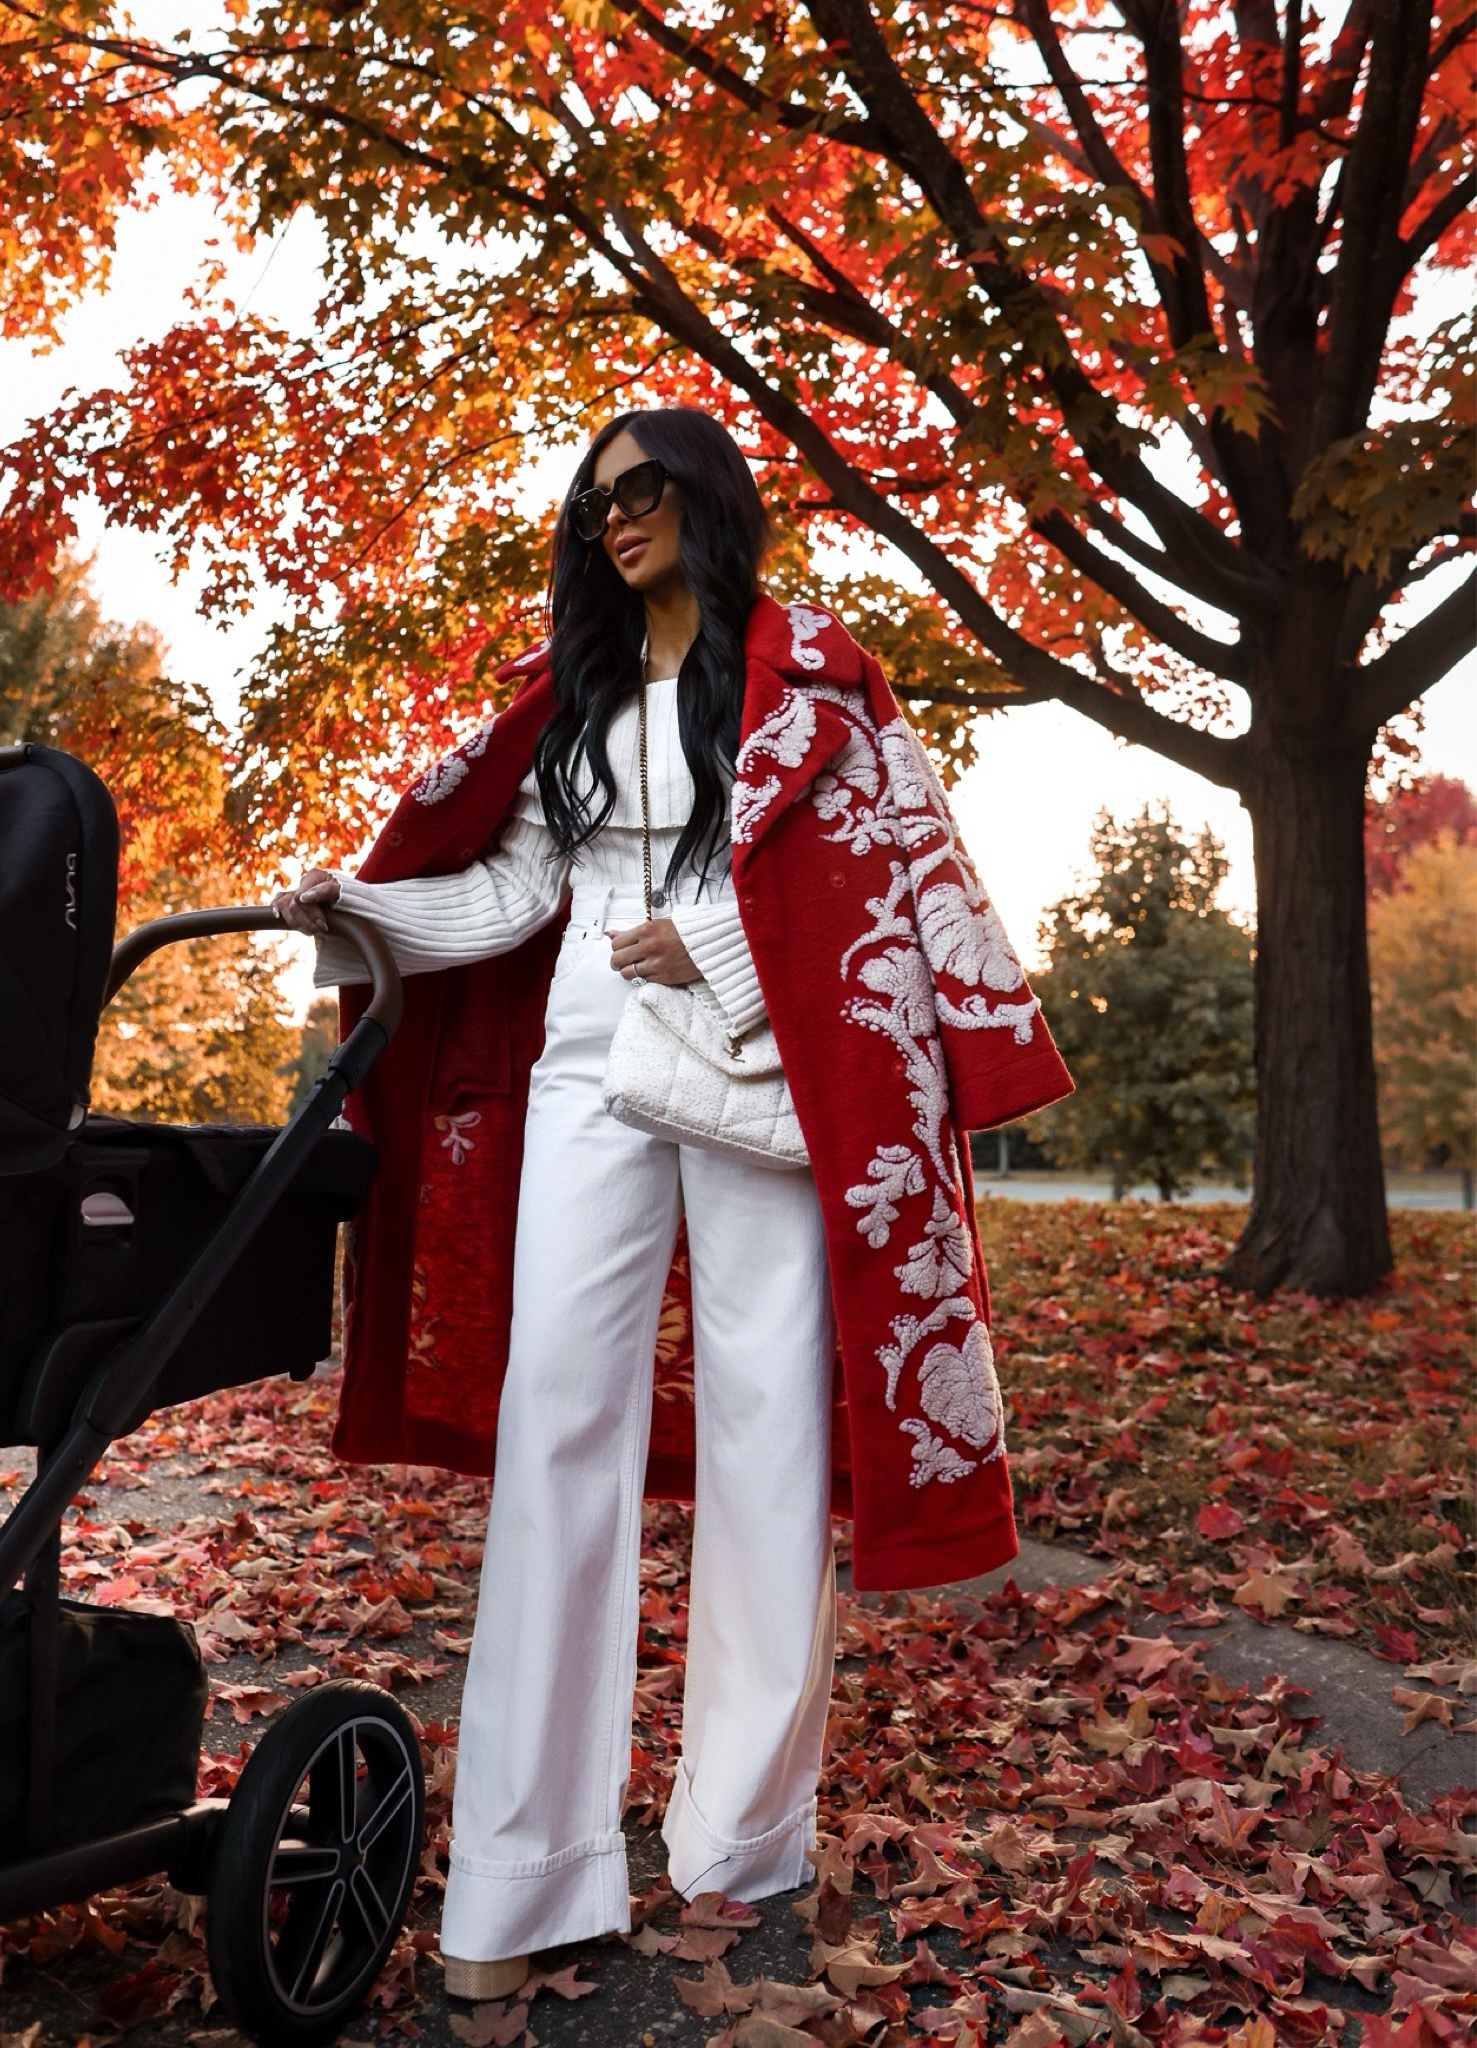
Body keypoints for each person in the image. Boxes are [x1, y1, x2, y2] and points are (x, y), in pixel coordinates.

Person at [273, 408, 1071, 1999]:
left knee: (770, 1424)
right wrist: (359, 910)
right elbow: (514, 894)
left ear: (706, 497)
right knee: (556, 1417)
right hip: (582, 1063)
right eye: (594, 502)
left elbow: (866, 887)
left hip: (758, 1068)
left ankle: (741, 1836)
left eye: (641, 488)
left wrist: (711, 949)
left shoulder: (818, 683)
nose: (615, 518)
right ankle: (521, 1874)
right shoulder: (561, 691)